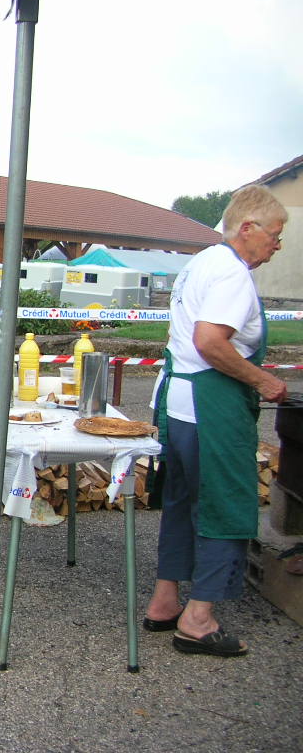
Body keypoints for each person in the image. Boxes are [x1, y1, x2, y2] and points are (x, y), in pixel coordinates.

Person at [144, 184, 288, 657]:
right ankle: (199, 618)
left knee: (182, 502)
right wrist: (264, 381)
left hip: (180, 405)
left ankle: (165, 600)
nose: (277, 245)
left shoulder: (202, 261)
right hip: (211, 407)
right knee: (225, 505)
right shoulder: (232, 274)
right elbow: (210, 341)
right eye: (275, 235)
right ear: (247, 228)